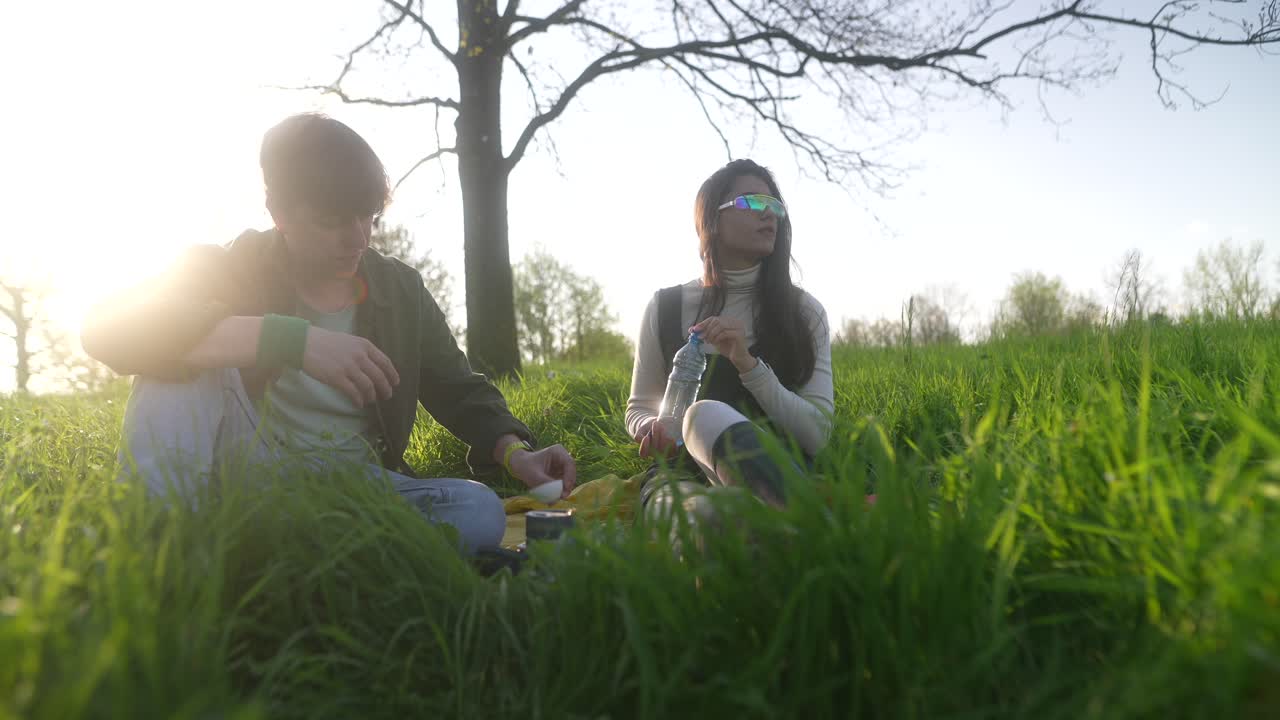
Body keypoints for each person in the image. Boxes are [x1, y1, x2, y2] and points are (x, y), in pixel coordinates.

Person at [81, 113, 576, 554]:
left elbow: (457, 386)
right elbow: (108, 327)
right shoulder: (234, 265)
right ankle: (159, 548)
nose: (358, 239)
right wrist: (293, 341)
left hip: (353, 483)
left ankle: (273, 550)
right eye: (332, 221)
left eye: (369, 217)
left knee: (479, 512)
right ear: (279, 215)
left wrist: (517, 454)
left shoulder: (400, 288)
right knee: (177, 353)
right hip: (245, 471)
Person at [625, 159, 834, 519]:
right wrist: (651, 427)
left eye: (774, 206)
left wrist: (748, 365)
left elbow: (817, 435)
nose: (769, 214)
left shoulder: (804, 312)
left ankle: (796, 519)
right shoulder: (666, 307)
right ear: (711, 221)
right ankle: (779, 538)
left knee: (703, 417)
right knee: (695, 518)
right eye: (752, 202)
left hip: (777, 478)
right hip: (678, 477)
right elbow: (639, 407)